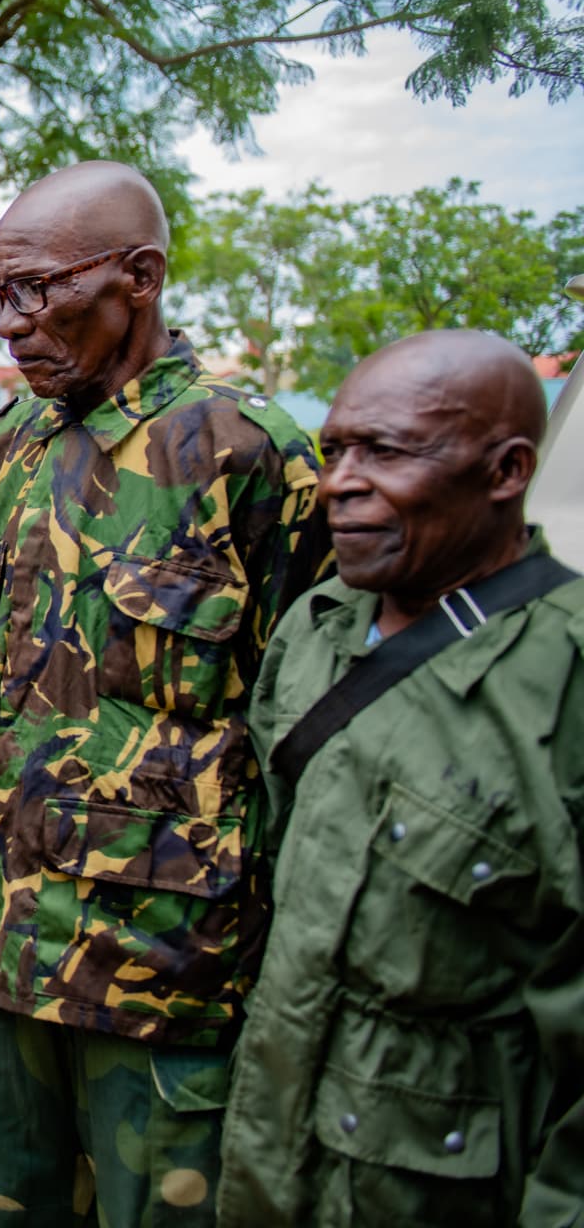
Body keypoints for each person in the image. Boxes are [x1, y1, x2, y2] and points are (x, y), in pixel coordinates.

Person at [0, 162, 334, 1227]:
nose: (13, 323)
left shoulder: (248, 452)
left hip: (173, 966)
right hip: (16, 946)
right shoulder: (9, 445)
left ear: (141, 278)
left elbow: (311, 724)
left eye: (37, 289)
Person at [217, 331, 584, 1225]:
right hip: (276, 1156)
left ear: (506, 472)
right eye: (336, 449)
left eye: (386, 452)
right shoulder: (317, 628)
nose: (340, 481)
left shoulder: (564, 679)